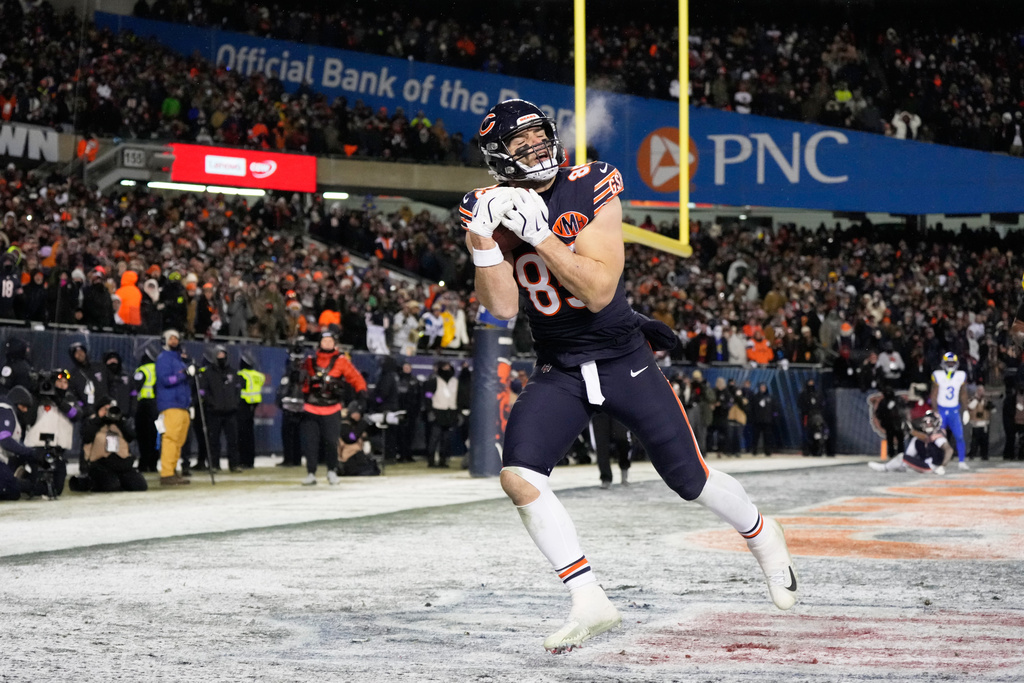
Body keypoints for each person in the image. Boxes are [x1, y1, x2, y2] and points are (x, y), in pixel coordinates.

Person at [461, 98, 797, 653]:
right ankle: (588, 598)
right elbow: (501, 308)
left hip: (622, 357)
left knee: (690, 480)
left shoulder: (591, 183)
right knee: (519, 476)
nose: (536, 147)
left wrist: (541, 235)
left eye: (539, 135)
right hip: (560, 366)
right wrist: (481, 242)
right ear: (499, 158)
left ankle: (763, 535)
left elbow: (598, 291)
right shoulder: (485, 205)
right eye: (520, 143)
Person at [299, 328, 367, 485]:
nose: (328, 343)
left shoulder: (341, 361)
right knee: (310, 443)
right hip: (311, 408)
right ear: (319, 343)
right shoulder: (310, 361)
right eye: (325, 341)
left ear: (335, 343)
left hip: (332, 408)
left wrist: (362, 392)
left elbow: (355, 377)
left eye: (330, 341)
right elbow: (300, 379)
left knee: (331, 442)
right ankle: (311, 473)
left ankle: (332, 471)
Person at [68, 398, 147, 493]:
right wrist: (100, 420)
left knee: (140, 485)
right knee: (111, 486)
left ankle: (120, 482)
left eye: (110, 409)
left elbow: (131, 436)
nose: (107, 412)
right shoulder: (92, 422)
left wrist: (119, 421)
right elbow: (86, 436)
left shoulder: (119, 423)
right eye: (105, 409)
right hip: (100, 464)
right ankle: (92, 483)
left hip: (122, 464)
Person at [155, 329, 193, 486]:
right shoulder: (164, 358)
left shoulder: (178, 359)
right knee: (171, 438)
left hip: (181, 404)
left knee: (179, 440)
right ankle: (167, 473)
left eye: (176, 338)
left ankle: (172, 470)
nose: (174, 341)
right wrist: (184, 374)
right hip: (171, 403)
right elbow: (165, 380)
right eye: (171, 338)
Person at [197, 346, 242, 473]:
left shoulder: (233, 372)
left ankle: (234, 464)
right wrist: (211, 403)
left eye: (223, 354)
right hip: (214, 412)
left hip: (230, 411)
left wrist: (235, 403)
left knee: (233, 440)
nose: (221, 357)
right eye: (219, 355)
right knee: (213, 440)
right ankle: (214, 464)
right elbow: (203, 391)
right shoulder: (208, 373)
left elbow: (238, 389)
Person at [868, 411, 951, 474]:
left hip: (931, 466)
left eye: (929, 422)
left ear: (936, 423)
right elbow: (924, 438)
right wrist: (911, 431)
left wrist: (942, 466)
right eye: (925, 422)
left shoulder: (939, 437)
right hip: (927, 462)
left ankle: (885, 468)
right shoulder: (931, 435)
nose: (927, 424)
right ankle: (904, 464)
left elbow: (949, 450)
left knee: (902, 457)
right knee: (916, 440)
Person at [0, 386, 41, 500]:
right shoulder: (5, 410)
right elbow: (5, 441)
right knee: (11, 489)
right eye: (23, 406)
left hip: (3, 460)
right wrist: (30, 452)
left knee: (12, 491)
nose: (25, 410)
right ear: (16, 402)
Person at [930, 352, 969, 470]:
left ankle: (961, 461)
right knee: (937, 437)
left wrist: (965, 410)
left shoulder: (961, 375)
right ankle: (934, 460)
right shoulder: (938, 375)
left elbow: (963, 393)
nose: (950, 364)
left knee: (959, 436)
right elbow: (934, 394)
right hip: (941, 409)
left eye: (952, 362)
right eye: (948, 362)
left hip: (954, 410)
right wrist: (935, 410)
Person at [423, 359, 459, 468]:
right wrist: (430, 410)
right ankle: (431, 461)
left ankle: (443, 461)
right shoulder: (434, 381)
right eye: (444, 367)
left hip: (450, 412)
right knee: (434, 438)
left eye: (448, 367)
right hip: (438, 412)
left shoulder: (455, 381)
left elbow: (459, 397)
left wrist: (458, 412)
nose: (446, 369)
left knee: (446, 439)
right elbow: (428, 396)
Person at [132, 343, 161, 472]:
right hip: (158, 406)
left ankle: (143, 464)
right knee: (155, 436)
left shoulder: (143, 370)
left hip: (144, 406)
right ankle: (153, 464)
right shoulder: (159, 369)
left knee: (143, 436)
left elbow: (135, 388)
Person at [276, 343, 306, 467]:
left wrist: (280, 400)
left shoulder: (295, 369)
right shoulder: (300, 368)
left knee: (291, 435)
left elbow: (286, 385)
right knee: (294, 435)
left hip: (293, 406)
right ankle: (293, 459)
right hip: (294, 405)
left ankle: (290, 459)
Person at [236, 351, 266, 468]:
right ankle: (250, 461)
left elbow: (238, 389)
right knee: (250, 435)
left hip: (242, 405)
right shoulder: (258, 375)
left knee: (242, 435)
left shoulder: (241, 375)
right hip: (253, 406)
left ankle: (243, 460)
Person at [875, 384, 906, 460]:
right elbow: (878, 413)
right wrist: (886, 411)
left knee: (900, 440)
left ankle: (901, 454)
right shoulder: (883, 402)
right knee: (890, 440)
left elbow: (904, 410)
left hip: (898, 424)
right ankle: (891, 454)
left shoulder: (898, 399)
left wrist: (901, 419)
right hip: (889, 424)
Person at [966, 385, 993, 461]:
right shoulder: (972, 399)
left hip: (985, 423)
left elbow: (992, 409)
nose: (981, 392)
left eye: (982, 391)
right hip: (976, 424)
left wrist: (988, 404)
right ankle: (972, 455)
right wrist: (977, 399)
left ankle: (984, 455)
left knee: (985, 441)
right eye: (980, 390)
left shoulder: (986, 400)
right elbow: (970, 407)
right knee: (974, 441)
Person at [748, 383, 775, 457]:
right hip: (757, 421)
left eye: (764, 387)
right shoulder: (755, 397)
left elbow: (774, 408)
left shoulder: (769, 397)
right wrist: (752, 418)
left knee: (767, 437)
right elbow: (752, 408)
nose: (763, 388)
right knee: (755, 436)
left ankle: (767, 451)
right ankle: (754, 451)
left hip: (767, 421)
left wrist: (774, 417)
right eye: (762, 387)